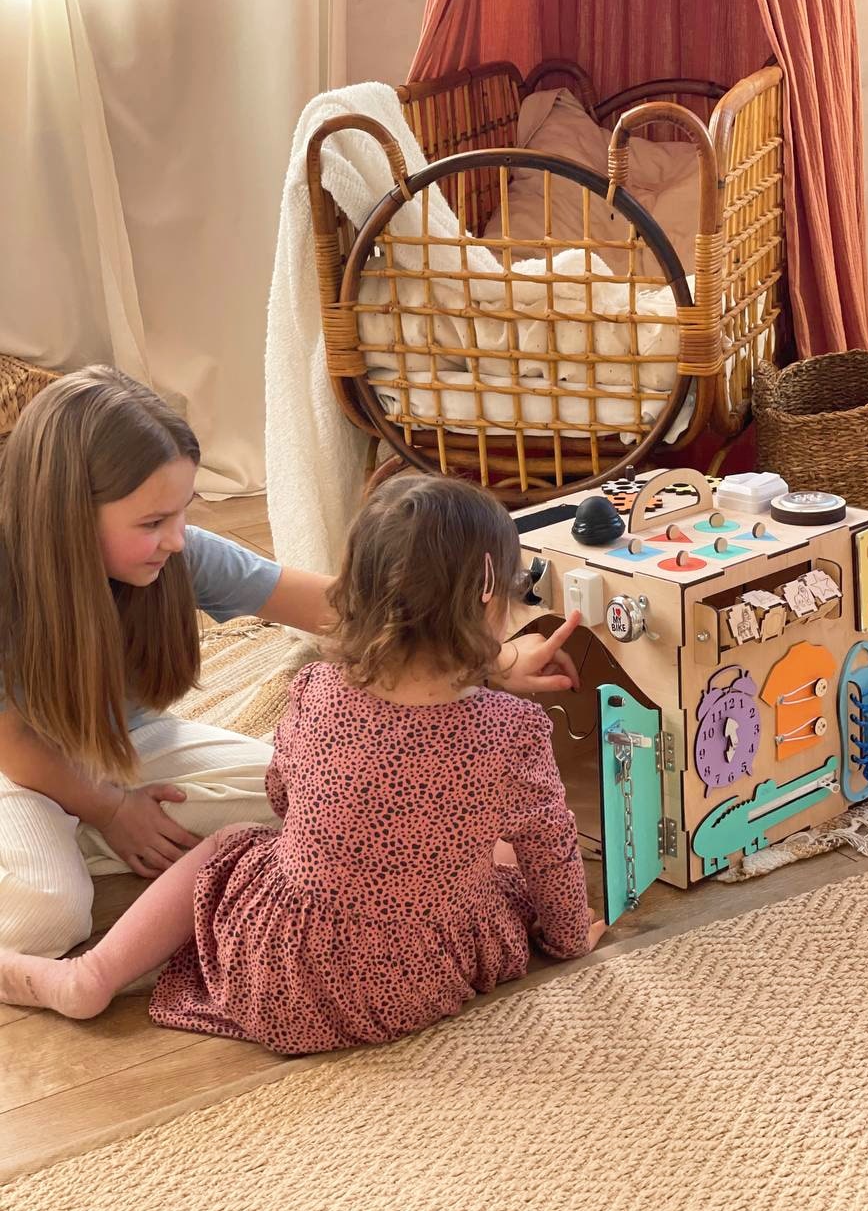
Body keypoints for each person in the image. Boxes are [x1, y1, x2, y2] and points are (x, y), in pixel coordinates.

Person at [0, 474, 605, 1053]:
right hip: (416, 988)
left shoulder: (316, 691)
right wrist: (571, 937)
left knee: (238, 843)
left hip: (279, 981)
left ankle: (95, 974)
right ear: (485, 591)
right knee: (499, 857)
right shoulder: (514, 731)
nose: (176, 534)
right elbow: (551, 852)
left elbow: (284, 795)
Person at [0, 368, 581, 959]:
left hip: (127, 741)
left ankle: (87, 836)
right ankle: (82, 833)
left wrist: (489, 656)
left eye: (182, 512)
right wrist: (113, 809)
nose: (177, 538)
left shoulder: (179, 555)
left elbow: (348, 608)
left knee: (332, 811)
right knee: (44, 920)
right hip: (16, 767)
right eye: (152, 523)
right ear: (68, 513)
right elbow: (14, 744)